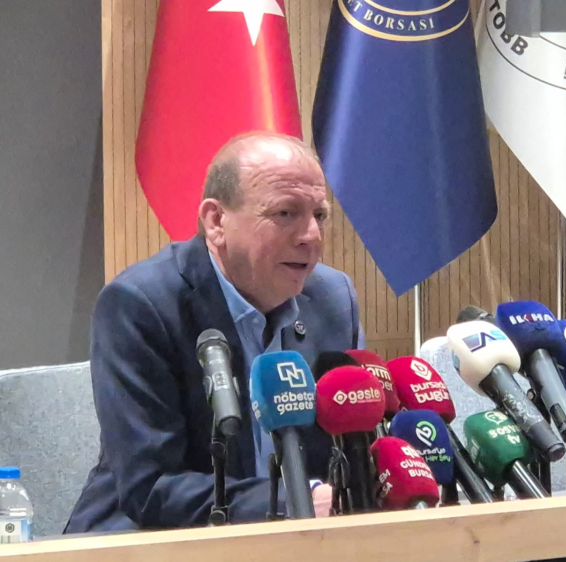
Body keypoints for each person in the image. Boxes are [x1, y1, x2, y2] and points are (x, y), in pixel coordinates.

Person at [65, 132, 363, 532]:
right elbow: (151, 488)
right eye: (285, 213)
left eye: (320, 215)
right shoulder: (141, 305)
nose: (311, 236)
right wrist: (296, 500)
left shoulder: (332, 299)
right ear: (216, 221)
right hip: (151, 541)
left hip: (302, 541)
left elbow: (353, 444)